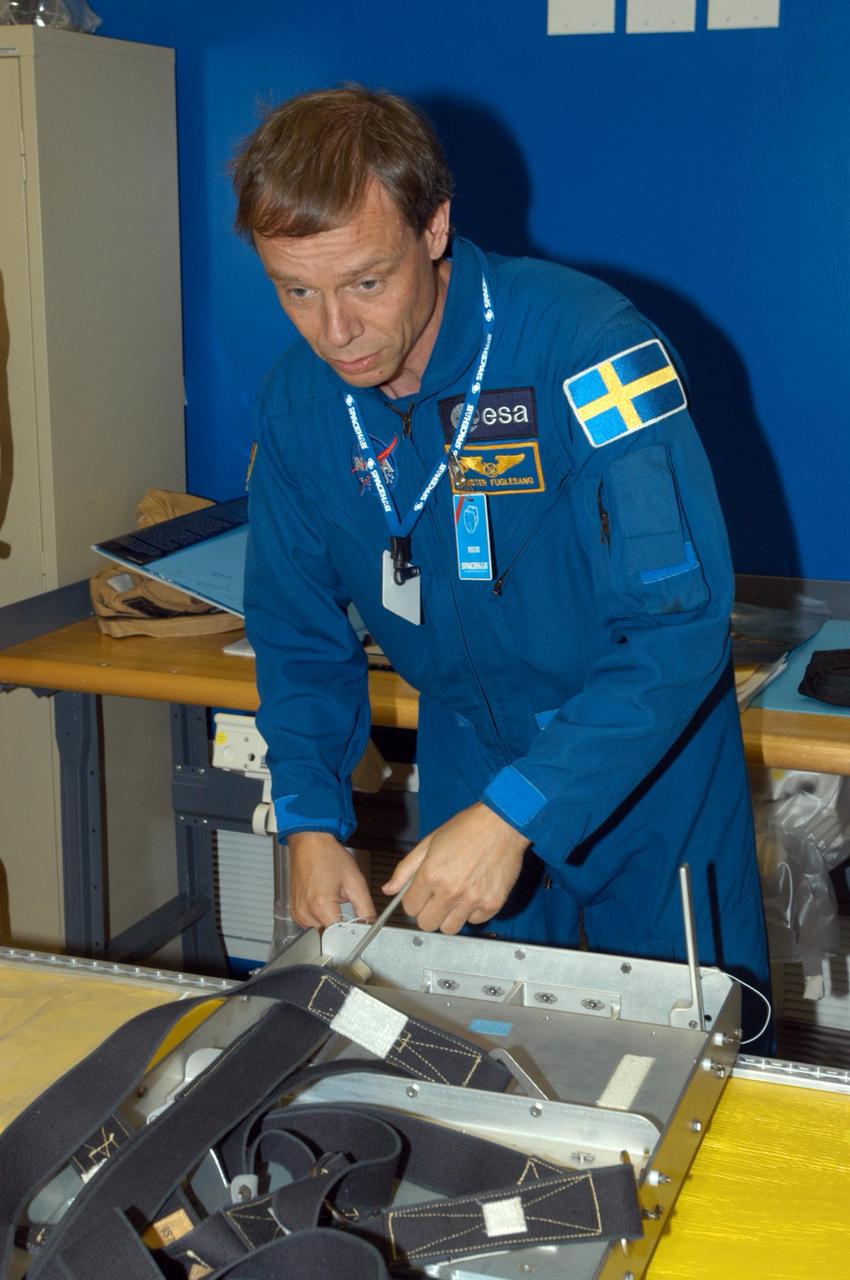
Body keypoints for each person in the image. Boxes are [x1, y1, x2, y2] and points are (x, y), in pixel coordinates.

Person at [234, 86, 769, 1017]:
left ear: (435, 227)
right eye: (297, 292)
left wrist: (522, 811)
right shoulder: (298, 405)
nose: (336, 332)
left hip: (646, 766)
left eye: (367, 281)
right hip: (468, 760)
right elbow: (296, 635)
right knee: (494, 1064)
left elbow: (678, 628)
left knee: (699, 1078)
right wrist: (311, 822)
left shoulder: (589, 350)